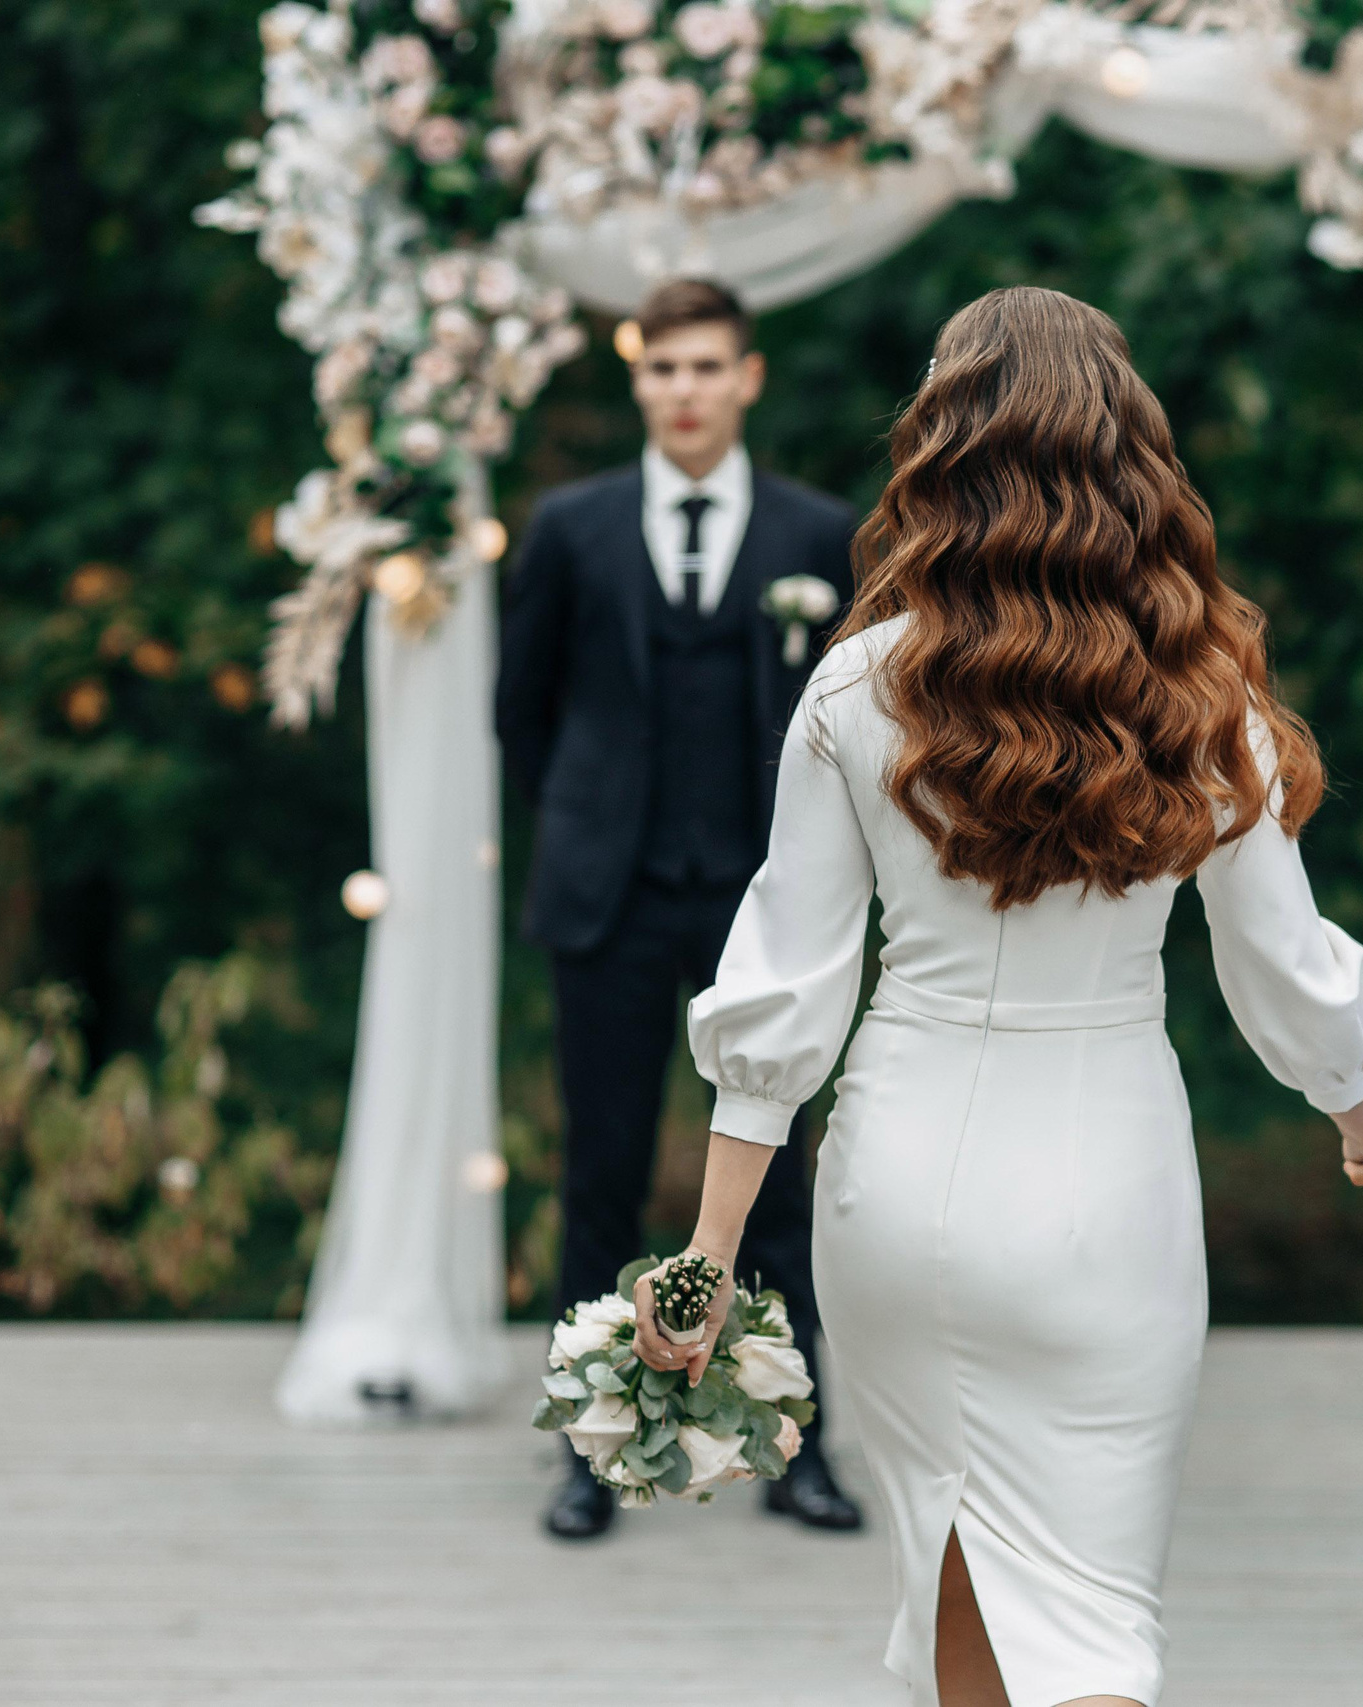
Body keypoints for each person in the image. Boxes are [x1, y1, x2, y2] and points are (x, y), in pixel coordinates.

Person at [629, 286, 1363, 1707]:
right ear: (1130, 459)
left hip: (899, 1185)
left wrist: (710, 1254)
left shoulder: (856, 684)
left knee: (956, 1595)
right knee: (1097, 1623)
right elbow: (1283, 971)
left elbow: (783, 989)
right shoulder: (1199, 691)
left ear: (940, 448)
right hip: (1103, 1181)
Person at [496, 277, 863, 1540]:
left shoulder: (821, 534)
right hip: (607, 901)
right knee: (597, 1170)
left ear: (746, 378)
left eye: (706, 366)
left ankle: (793, 1442)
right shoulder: (568, 527)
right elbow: (521, 712)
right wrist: (589, 824)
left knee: (782, 1180)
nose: (684, 390)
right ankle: (587, 1446)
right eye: (662, 369)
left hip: (768, 906)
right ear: (637, 380)